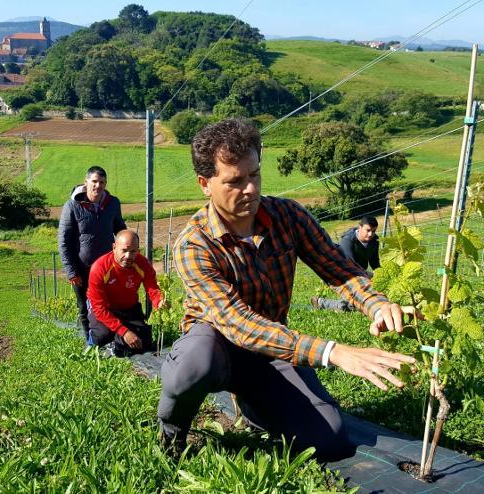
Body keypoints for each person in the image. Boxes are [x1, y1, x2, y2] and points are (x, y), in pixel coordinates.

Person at [157, 119, 415, 460]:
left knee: (330, 438)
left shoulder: (288, 216)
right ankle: (171, 435)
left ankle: (252, 402)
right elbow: (239, 324)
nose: (249, 189)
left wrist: (378, 305)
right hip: (217, 347)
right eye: (234, 181)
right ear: (205, 184)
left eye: (254, 175)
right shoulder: (194, 245)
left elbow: (339, 268)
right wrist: (332, 351)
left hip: (271, 349)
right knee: (194, 362)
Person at [58, 166, 126, 335]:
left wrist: (128, 250)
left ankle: (108, 339)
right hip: (82, 268)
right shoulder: (72, 206)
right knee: (84, 307)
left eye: (101, 182)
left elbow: (119, 230)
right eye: (94, 181)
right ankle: (89, 339)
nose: (98, 185)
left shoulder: (113, 203)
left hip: (107, 267)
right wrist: (72, 272)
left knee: (109, 303)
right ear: (86, 182)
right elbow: (63, 241)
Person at [87, 230, 166, 357]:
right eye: (124, 250)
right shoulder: (100, 268)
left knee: (143, 342)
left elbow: (152, 289)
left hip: (129, 308)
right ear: (114, 248)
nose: (128, 256)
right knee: (103, 335)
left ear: (138, 251)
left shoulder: (142, 264)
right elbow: (99, 308)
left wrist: (160, 301)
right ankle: (94, 338)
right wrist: (124, 332)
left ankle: (118, 340)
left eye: (133, 251)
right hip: (104, 308)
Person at [312, 216, 381, 311]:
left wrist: (380, 275)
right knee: (361, 300)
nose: (370, 234)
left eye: (373, 231)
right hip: (341, 274)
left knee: (367, 298)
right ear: (359, 227)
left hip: (359, 272)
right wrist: (368, 280)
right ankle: (323, 303)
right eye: (368, 230)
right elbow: (350, 265)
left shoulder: (374, 241)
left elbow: (375, 262)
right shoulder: (347, 240)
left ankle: (322, 303)